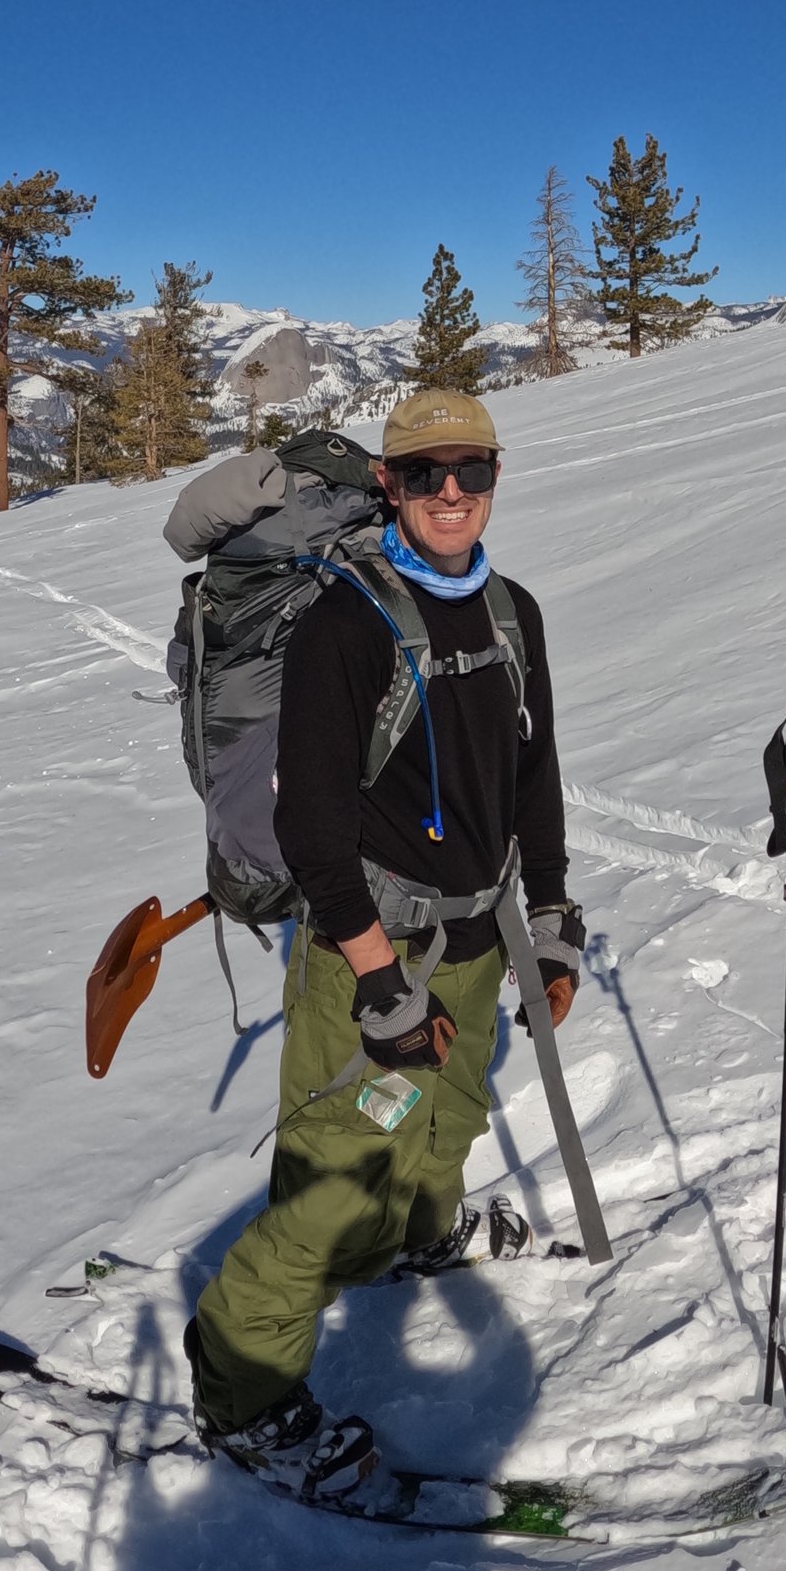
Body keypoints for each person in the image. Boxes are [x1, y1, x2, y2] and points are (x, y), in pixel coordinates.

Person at [185, 385, 585, 1495]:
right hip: (374, 952)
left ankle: (410, 1240)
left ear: (495, 478)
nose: (450, 494)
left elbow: (533, 777)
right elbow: (313, 822)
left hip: (476, 932)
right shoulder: (345, 623)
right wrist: (374, 982)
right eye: (423, 475)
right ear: (392, 488)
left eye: (471, 472)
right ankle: (243, 1392)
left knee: (444, 1123)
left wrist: (547, 923)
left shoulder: (514, 612)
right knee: (333, 1180)